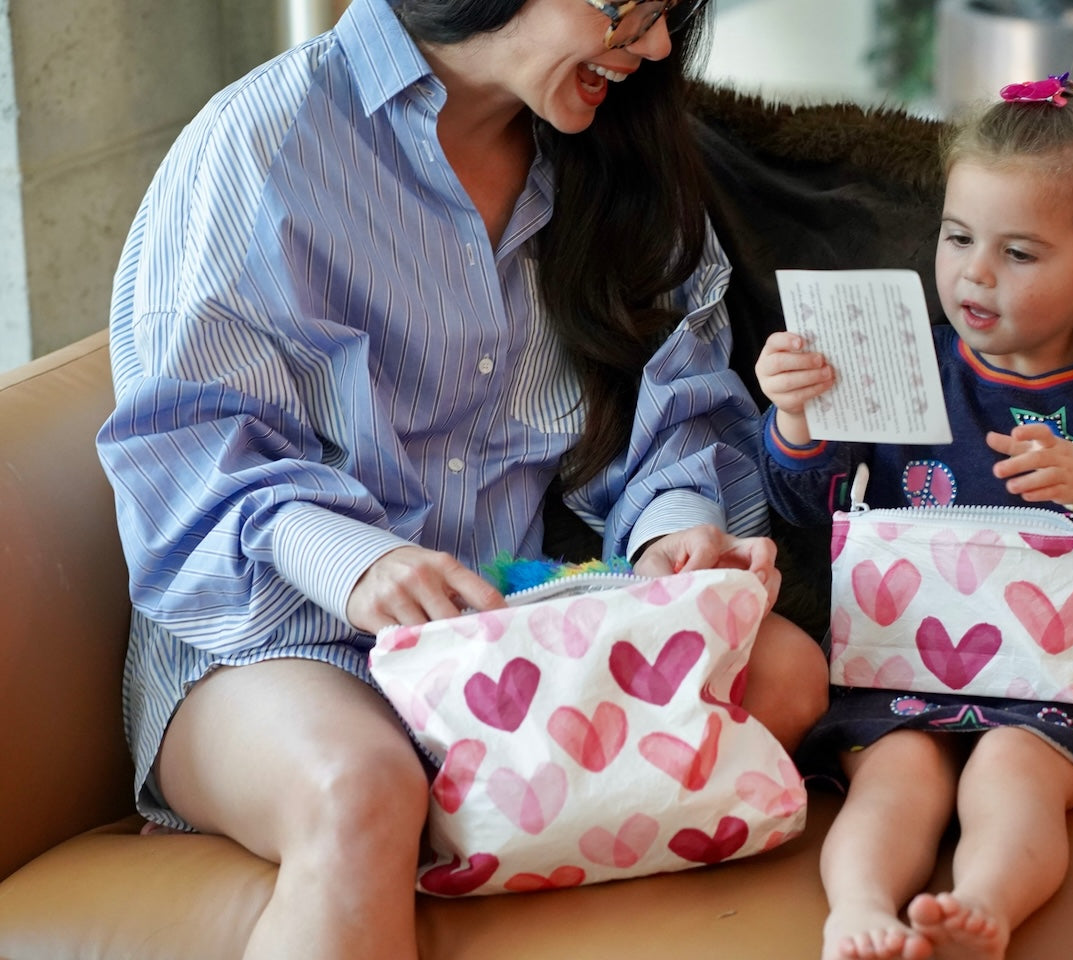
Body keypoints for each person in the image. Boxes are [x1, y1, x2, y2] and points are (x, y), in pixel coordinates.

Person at [95, 1, 829, 957]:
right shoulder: (261, 143)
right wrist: (358, 563)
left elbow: (674, 400)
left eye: (667, 15)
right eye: (631, 8)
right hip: (276, 632)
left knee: (786, 675)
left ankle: (471, 826)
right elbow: (187, 443)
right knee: (362, 790)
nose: (654, 45)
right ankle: (395, 818)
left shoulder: (620, 150)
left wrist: (671, 533)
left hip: (506, 631)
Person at [754, 75, 1073, 960]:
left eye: (1019, 253)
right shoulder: (904, 362)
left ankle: (982, 910)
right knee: (895, 777)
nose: (974, 273)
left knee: (1011, 772)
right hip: (904, 661)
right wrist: (797, 419)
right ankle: (857, 911)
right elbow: (809, 512)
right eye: (959, 236)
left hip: (1061, 681)